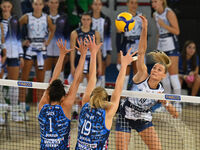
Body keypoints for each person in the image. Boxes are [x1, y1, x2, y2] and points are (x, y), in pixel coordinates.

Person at [115, 16, 179, 150]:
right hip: (125, 115)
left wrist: (171, 109)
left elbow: (173, 111)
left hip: (143, 119)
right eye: (154, 67)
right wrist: (144, 28)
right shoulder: (143, 74)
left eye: (159, 69)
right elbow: (142, 52)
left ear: (163, 75)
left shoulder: (160, 92)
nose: (155, 70)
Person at [75, 34, 135, 149]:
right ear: (105, 99)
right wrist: (124, 66)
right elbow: (118, 89)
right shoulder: (107, 114)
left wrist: (92, 54)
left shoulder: (85, 106)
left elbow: (92, 79)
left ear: (91, 96)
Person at [38, 38, 87, 150]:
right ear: (63, 98)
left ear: (49, 94)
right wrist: (83, 56)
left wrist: (62, 55)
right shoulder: (65, 106)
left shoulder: (42, 106)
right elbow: (77, 80)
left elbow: (53, 79)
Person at [18, 0, 55, 121]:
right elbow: (16, 27)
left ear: (43, 6)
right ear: (32, 5)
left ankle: (40, 108)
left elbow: (52, 29)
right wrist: (22, 41)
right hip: (30, 48)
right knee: (24, 78)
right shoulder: (26, 17)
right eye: (35, 4)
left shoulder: (47, 18)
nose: (38, 6)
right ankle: (22, 107)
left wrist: (48, 42)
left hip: (41, 49)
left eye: (40, 4)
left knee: (40, 81)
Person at [1, 0, 24, 122]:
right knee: (0, 85)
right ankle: (0, 114)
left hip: (14, 56)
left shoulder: (15, 21)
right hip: (1, 56)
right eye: (4, 6)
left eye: (8, 6)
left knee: (14, 85)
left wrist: (21, 55)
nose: (6, 8)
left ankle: (15, 112)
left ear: (11, 7)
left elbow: (18, 38)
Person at [152, 0, 181, 95]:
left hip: (171, 46)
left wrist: (164, 25)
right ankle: (167, 104)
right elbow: (158, 33)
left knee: (173, 76)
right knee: (163, 77)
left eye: (155, 1)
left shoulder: (169, 13)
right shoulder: (155, 15)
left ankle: (177, 103)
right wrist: (157, 50)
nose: (153, 4)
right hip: (162, 47)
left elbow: (177, 31)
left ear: (161, 1)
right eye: (152, 2)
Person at [116, 0, 142, 90]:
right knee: (125, 72)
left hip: (138, 47)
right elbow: (118, 36)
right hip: (127, 46)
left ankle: (135, 96)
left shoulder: (141, 17)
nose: (134, 5)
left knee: (137, 71)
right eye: (131, 2)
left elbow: (144, 35)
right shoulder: (122, 17)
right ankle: (122, 96)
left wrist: (143, 49)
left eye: (136, 3)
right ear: (127, 4)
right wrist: (119, 52)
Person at [44, 0, 70, 83]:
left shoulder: (64, 17)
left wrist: (67, 51)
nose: (53, 5)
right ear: (48, 3)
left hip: (60, 49)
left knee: (60, 73)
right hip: (46, 48)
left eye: (56, 2)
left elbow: (67, 34)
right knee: (46, 74)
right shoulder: (43, 16)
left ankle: (60, 94)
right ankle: (43, 94)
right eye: (51, 2)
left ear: (58, 4)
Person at [91, 0, 112, 87]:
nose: (97, 6)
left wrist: (108, 53)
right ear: (92, 6)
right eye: (95, 4)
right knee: (89, 71)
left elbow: (108, 37)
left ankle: (101, 94)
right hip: (89, 49)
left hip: (102, 49)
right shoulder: (87, 18)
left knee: (101, 72)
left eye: (99, 4)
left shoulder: (106, 19)